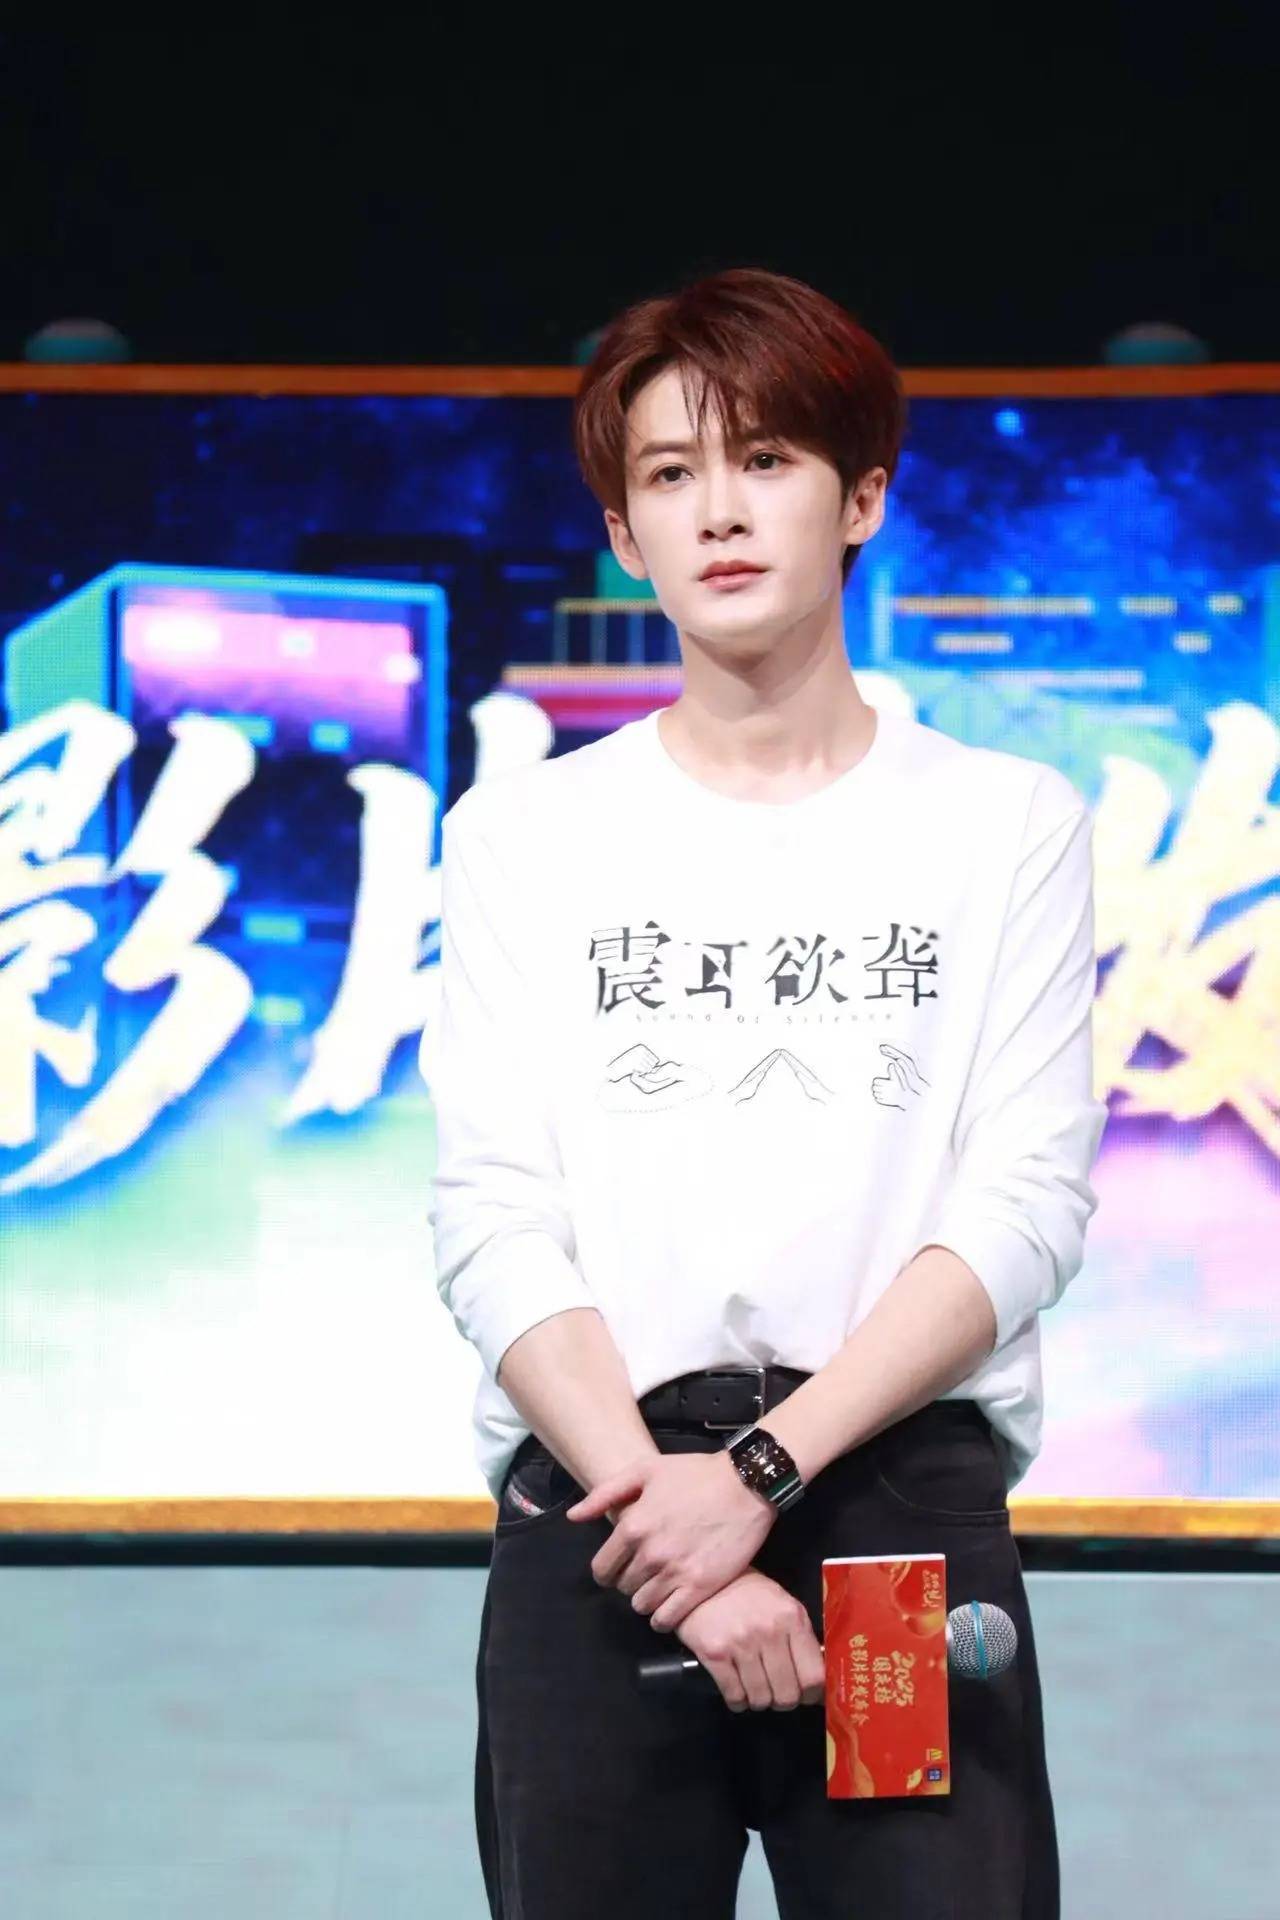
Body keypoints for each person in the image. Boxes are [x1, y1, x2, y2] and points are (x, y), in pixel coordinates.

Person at [426, 265, 1108, 1919]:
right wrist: (671, 1522)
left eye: (768, 460)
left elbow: (1024, 1210)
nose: (719, 511)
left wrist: (759, 1481)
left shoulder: (1004, 823)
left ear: (861, 496)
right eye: (670, 474)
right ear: (623, 533)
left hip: (887, 1510)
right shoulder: (524, 836)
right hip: (605, 1516)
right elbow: (493, 1222)